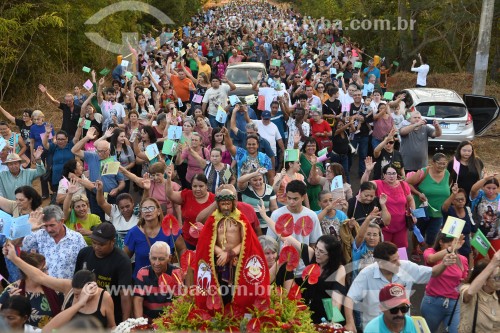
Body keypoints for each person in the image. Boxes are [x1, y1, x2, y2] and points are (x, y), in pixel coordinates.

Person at [344, 241, 458, 331]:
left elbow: (433, 272)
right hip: (376, 327)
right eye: (394, 261)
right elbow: (350, 298)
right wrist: (350, 322)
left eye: (398, 258)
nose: (399, 263)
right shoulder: (366, 274)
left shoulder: (406, 266)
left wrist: (444, 264)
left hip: (401, 327)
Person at [4, 244, 116, 330]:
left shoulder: (104, 297)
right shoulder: (68, 287)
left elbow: (112, 327)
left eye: (81, 294)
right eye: (75, 294)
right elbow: (40, 277)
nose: (78, 298)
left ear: (93, 289)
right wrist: (14, 258)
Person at [194, 189, 270, 310]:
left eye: (228, 204)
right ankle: (220, 314)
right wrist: (221, 253)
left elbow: (247, 240)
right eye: (223, 204)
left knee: (238, 289)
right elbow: (207, 241)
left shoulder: (241, 219)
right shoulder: (213, 220)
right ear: (218, 204)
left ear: (233, 203)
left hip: (237, 260)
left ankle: (237, 313)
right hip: (219, 261)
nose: (225, 207)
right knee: (220, 289)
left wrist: (230, 253)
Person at [74, 223, 132, 324]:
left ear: (112, 242)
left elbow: (125, 295)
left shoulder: (122, 261)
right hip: (85, 310)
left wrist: (125, 324)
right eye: (93, 242)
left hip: (111, 314)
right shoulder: (84, 253)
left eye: (101, 244)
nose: (96, 247)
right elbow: (75, 284)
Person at [267, 180, 322, 281]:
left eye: (295, 198)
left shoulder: (312, 215)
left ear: (303, 197)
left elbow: (314, 244)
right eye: (289, 198)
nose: (291, 202)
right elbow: (270, 243)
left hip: (303, 271)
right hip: (282, 269)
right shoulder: (276, 214)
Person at [71, 127, 126, 221]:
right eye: (98, 151)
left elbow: (122, 182)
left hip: (110, 197)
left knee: (112, 219)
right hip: (95, 194)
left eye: (102, 151)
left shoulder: (114, 161)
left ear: (108, 150)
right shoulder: (92, 156)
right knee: (97, 219)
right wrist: (86, 138)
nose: (99, 153)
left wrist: (117, 189)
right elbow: (74, 151)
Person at [124, 197, 186, 277]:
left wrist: (183, 270)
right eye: (144, 209)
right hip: (142, 282)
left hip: (167, 280)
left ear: (159, 211)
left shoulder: (170, 229)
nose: (148, 211)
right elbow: (124, 258)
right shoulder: (134, 233)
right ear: (141, 214)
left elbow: (182, 249)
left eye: (151, 208)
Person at [0, 252, 63, 329]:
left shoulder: (54, 289)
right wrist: (10, 303)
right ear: (29, 272)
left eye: (46, 269)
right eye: (43, 270)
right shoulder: (12, 290)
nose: (47, 273)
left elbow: (64, 315)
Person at [420, 233, 468, 333]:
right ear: (441, 242)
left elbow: (464, 280)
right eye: (449, 245)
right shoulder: (430, 252)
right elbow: (430, 259)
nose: (452, 248)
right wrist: (449, 250)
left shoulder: (462, 259)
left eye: (454, 245)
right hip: (432, 301)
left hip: (454, 304)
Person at [362, 161, 416, 248]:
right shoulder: (379, 184)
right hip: (383, 227)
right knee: (384, 252)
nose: (391, 176)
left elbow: (411, 200)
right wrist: (367, 171)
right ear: (384, 175)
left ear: (397, 175)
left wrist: (413, 213)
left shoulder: (404, 185)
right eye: (389, 173)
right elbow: (364, 185)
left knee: (401, 252)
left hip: (401, 227)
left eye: (394, 173)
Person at [22, 207, 87, 279]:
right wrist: (28, 228)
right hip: (45, 286)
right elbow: (21, 246)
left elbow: (85, 263)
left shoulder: (76, 238)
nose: (49, 229)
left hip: (67, 287)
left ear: (62, 221)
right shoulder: (39, 235)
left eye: (52, 225)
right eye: (45, 226)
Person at [407, 153, 451, 248]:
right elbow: (407, 184)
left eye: (444, 164)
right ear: (433, 162)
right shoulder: (423, 172)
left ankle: (428, 253)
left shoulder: (447, 174)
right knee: (419, 232)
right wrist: (418, 194)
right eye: (439, 163)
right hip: (421, 209)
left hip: (438, 211)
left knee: (433, 234)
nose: (442, 166)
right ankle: (415, 249)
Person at [133, 241, 182, 319]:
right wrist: (140, 323)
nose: (157, 263)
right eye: (153, 258)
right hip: (148, 322)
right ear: (149, 256)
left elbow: (181, 301)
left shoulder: (177, 273)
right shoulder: (143, 273)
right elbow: (138, 300)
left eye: (161, 259)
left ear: (169, 258)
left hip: (171, 321)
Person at [457, 250, 500, 333]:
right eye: (496, 278)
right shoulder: (468, 289)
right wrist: (492, 264)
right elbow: (469, 293)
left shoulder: (497, 294)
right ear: (484, 281)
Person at [237, 168, 278, 233]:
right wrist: (255, 173)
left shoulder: (269, 189)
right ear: (249, 180)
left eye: (260, 179)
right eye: (255, 180)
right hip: (250, 225)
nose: (258, 182)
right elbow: (240, 181)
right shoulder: (245, 188)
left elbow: (274, 208)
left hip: (266, 226)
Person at [442, 184, 476, 259]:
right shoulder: (450, 210)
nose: (460, 201)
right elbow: (444, 208)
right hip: (450, 249)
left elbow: (473, 229)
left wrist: (475, 247)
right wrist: (453, 194)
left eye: (462, 199)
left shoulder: (468, 210)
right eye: (457, 199)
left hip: (465, 248)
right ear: (452, 201)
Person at [62, 181, 101, 245]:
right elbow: (65, 209)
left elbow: (102, 234)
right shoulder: (69, 217)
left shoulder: (95, 218)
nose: (81, 209)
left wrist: (89, 233)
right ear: (73, 208)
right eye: (78, 207)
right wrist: (70, 194)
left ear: (87, 206)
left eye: (83, 205)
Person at [42, 129, 78, 197]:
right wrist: (47, 133)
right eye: (58, 139)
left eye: (62, 139)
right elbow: (45, 144)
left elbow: (76, 138)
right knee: (58, 195)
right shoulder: (54, 147)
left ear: (67, 139)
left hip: (70, 177)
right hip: (56, 177)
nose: (60, 141)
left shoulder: (71, 145)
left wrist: (79, 127)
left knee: (71, 195)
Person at [470, 173, 500, 240]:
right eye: (488, 188)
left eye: (494, 188)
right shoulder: (480, 195)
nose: (491, 191)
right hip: (477, 232)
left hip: (495, 234)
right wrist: (485, 179)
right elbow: (473, 190)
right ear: (483, 187)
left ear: (497, 188)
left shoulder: (499, 199)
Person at [299, 137, 325, 211]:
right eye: (309, 146)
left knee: (316, 213)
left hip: (315, 191)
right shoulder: (301, 156)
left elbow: (320, 177)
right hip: (303, 190)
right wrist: (295, 144)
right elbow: (294, 157)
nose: (311, 148)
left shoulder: (319, 159)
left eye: (313, 145)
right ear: (305, 147)